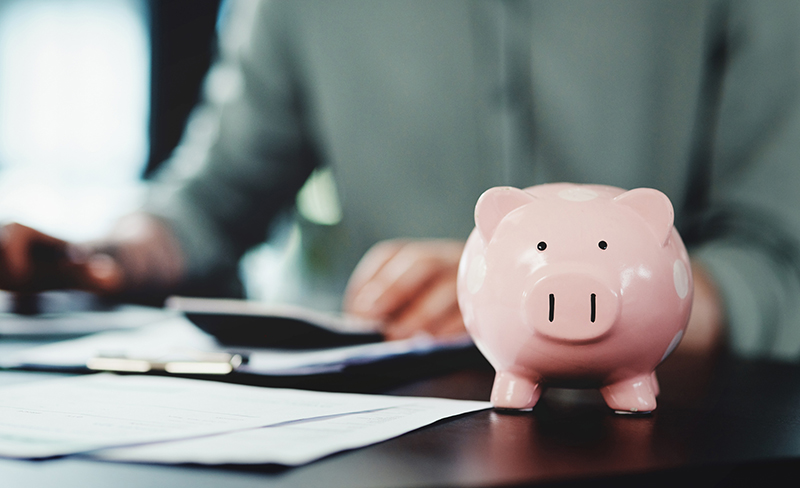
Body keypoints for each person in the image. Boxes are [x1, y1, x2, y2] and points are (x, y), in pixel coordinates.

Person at [1, 0, 799, 359]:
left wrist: (545, 293)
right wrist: (100, 257)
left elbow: (779, 260)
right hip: (393, 435)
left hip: (689, 441)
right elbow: (214, 197)